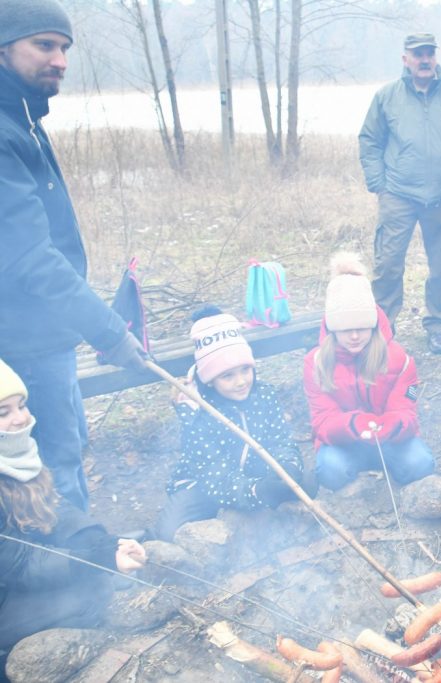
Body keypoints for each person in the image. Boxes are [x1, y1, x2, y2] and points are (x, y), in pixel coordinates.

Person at [0, 0, 148, 511]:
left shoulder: (22, 116)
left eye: (63, 48)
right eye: (44, 45)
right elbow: (28, 258)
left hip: (43, 334)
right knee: (52, 466)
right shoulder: (2, 129)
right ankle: (78, 578)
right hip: (25, 342)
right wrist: (110, 332)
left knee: (63, 455)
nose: (60, 59)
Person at [0, 359, 146, 678]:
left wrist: (106, 546)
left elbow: (58, 512)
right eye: (4, 412)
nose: (20, 419)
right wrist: (95, 560)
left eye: (21, 405)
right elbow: (19, 563)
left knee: (93, 586)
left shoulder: (17, 455)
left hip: (13, 584)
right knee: (86, 598)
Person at [358, 32, 441, 355]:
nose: (424, 59)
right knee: (388, 264)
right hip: (398, 193)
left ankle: (438, 326)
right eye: (418, 54)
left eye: (429, 53)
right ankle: (383, 328)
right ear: (406, 59)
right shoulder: (387, 96)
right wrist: (379, 185)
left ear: (436, 57)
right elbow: (369, 140)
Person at [154, 308, 307, 541]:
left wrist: (288, 464)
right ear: (210, 380)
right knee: (168, 532)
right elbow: (215, 476)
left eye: (245, 370)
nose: (241, 382)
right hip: (204, 486)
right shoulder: (197, 412)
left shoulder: (264, 395)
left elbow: (280, 440)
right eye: (227, 376)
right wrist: (257, 491)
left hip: (256, 470)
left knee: (307, 484)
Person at [304, 253, 434, 491]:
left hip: (392, 441)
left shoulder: (400, 360)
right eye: (346, 329)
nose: (355, 336)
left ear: (373, 325)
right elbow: (321, 420)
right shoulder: (316, 363)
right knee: (330, 471)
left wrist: (393, 425)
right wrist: (354, 425)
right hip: (345, 442)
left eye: (362, 328)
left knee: (421, 464)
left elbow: (407, 409)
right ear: (333, 329)